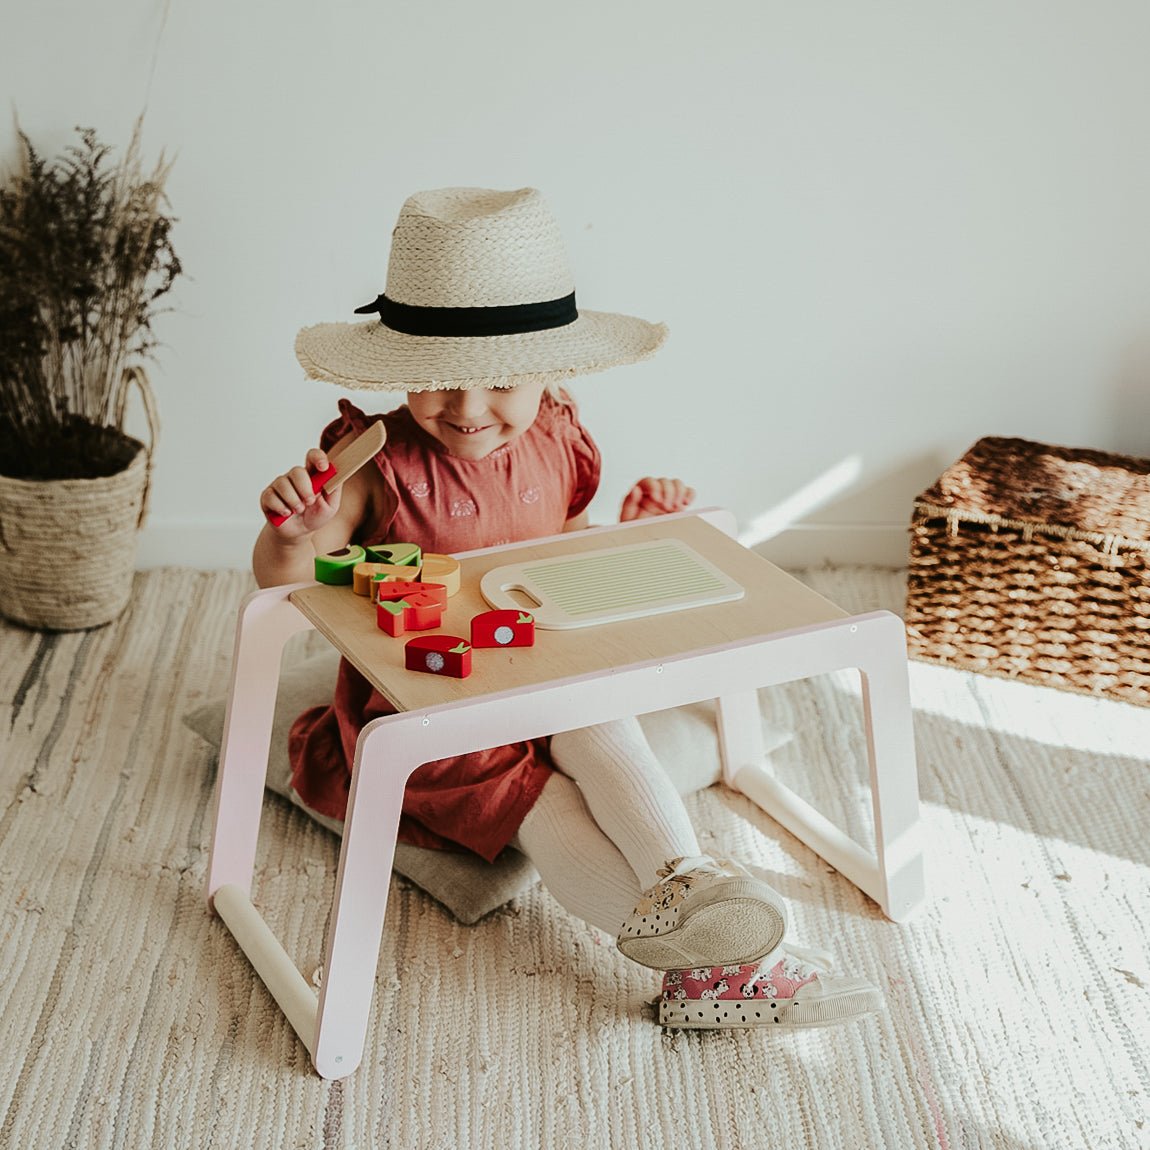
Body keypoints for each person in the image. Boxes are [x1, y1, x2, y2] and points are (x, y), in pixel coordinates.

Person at [253, 186, 882, 1029]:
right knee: (546, 812)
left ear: (555, 368)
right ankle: (735, 971)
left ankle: (685, 876)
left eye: (501, 381)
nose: (466, 410)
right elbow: (280, 582)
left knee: (602, 720)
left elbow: (566, 549)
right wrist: (294, 532)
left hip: (551, 669)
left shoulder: (557, 435)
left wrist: (634, 534)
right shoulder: (373, 462)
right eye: (438, 380)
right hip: (446, 713)